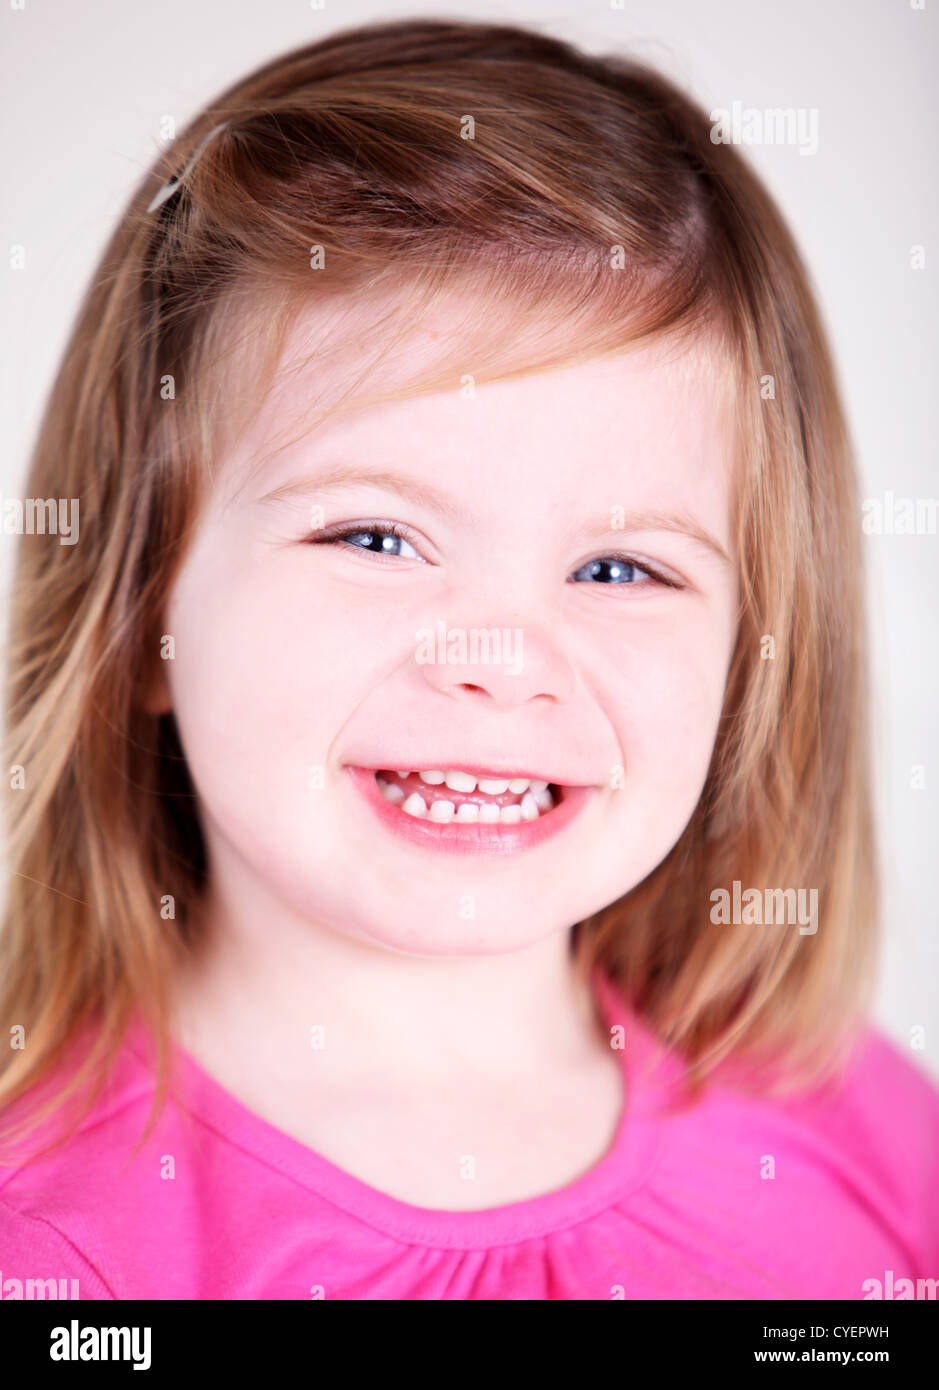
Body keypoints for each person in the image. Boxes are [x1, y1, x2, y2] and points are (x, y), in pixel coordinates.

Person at [0, 17, 935, 1300]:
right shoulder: (53, 1253)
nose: (499, 663)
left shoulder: (863, 1135)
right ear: (140, 603)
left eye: (621, 570)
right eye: (376, 535)